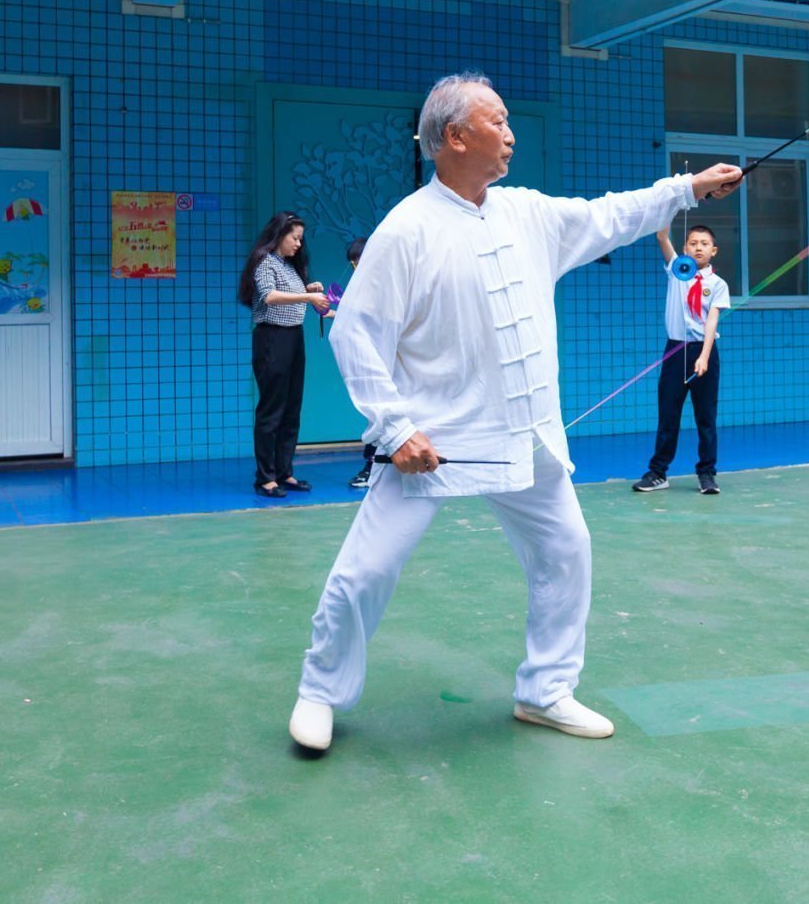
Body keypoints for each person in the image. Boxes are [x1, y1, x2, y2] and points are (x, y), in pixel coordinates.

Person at [288, 73, 743, 751]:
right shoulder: (407, 228)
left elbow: (608, 215)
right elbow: (356, 334)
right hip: (432, 441)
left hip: (526, 434)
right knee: (367, 570)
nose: (509, 133)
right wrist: (395, 428)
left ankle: (545, 690)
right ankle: (319, 692)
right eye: (496, 121)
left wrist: (688, 189)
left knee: (566, 550)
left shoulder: (527, 212)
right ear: (454, 136)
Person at [238, 212, 330, 498]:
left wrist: (308, 288)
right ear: (279, 235)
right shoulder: (264, 261)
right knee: (272, 408)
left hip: (293, 336)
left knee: (291, 407)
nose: (299, 244)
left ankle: (284, 471)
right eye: (295, 238)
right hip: (272, 337)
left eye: (301, 239)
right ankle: (265, 477)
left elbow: (289, 293)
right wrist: (307, 296)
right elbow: (269, 296)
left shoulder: (289, 265)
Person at [632, 223, 729, 495]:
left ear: (714, 250)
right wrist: (671, 205)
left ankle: (707, 474)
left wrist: (704, 357)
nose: (698, 248)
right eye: (693, 243)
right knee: (668, 414)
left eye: (704, 244)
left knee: (705, 418)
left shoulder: (718, 285)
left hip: (703, 352)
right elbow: (662, 235)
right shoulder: (677, 270)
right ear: (685, 248)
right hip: (675, 351)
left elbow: (712, 321)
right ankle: (658, 473)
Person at [340, 236, 376, 490]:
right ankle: (373, 467)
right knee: (374, 415)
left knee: (379, 416)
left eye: (358, 261)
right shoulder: (363, 285)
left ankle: (372, 468)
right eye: (353, 263)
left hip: (388, 363)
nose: (355, 267)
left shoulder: (384, 285)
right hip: (371, 360)